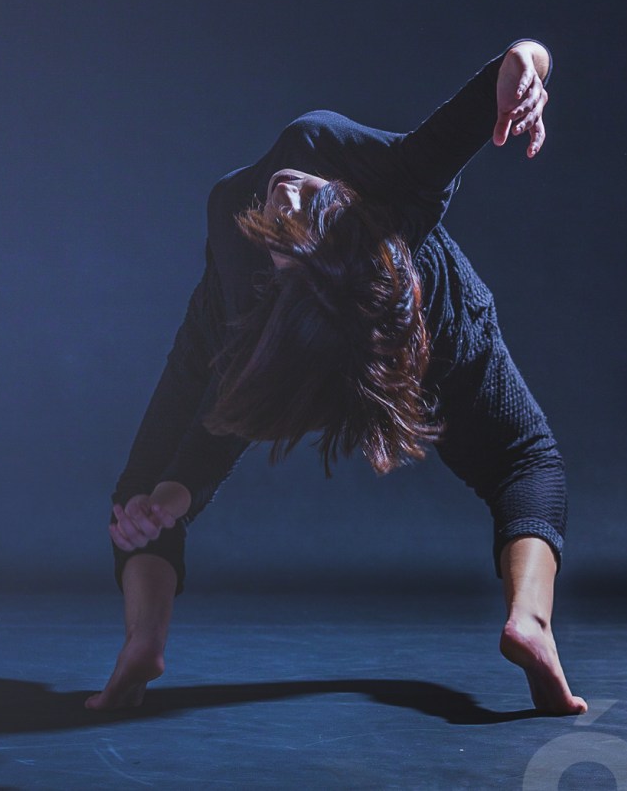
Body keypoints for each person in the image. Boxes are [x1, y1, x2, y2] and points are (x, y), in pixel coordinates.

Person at [86, 39, 588, 716]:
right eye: (291, 224)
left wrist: (168, 496)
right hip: (336, 325)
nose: (286, 191)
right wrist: (527, 64)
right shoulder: (380, 199)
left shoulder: (274, 251)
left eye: (297, 220)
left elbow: (223, 417)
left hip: (432, 321)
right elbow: (225, 420)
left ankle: (143, 640)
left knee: (526, 460)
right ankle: (529, 622)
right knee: (147, 496)